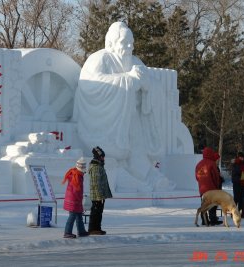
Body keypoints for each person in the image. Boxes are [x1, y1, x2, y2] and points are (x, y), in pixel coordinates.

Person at [73, 21, 174, 191]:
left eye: (131, 43)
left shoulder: (135, 61)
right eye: (124, 42)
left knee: (137, 147)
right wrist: (129, 80)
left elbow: (151, 84)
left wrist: (147, 85)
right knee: (117, 151)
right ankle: (131, 179)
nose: (129, 47)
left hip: (131, 115)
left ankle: (148, 176)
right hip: (106, 117)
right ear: (111, 43)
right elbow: (90, 84)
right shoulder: (99, 58)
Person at [62, 157, 90, 238]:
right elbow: (77, 190)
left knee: (79, 215)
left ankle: (81, 231)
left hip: (73, 198)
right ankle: (67, 232)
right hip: (74, 199)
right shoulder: (77, 175)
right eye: (84, 168)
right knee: (73, 216)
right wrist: (79, 199)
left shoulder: (75, 173)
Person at [88, 146, 112, 235]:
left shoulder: (99, 166)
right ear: (98, 157)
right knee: (96, 212)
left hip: (99, 195)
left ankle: (97, 228)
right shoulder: (96, 167)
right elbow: (96, 183)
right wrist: (99, 196)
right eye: (102, 157)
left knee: (98, 212)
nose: (103, 158)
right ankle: (93, 229)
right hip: (97, 196)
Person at [195, 147, 222, 226]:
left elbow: (197, 177)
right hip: (212, 188)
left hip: (202, 188)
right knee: (213, 205)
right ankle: (213, 219)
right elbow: (216, 177)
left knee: (203, 204)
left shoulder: (199, 164)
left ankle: (204, 220)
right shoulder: (211, 163)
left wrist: (201, 182)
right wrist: (217, 186)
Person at [231, 152, 244, 218]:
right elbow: (235, 173)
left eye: (242, 157)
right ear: (238, 157)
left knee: (242, 199)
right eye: (240, 157)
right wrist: (241, 172)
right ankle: (233, 212)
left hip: (243, 182)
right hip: (237, 183)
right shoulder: (235, 163)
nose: (242, 158)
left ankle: (242, 212)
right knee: (236, 198)